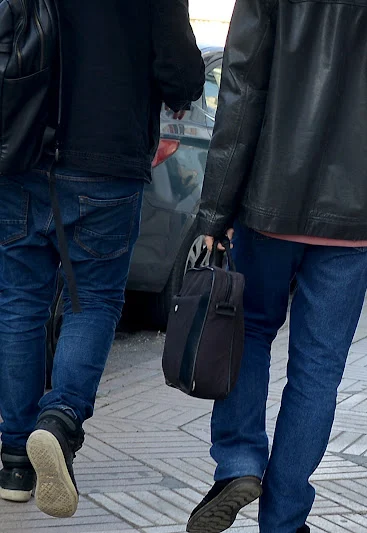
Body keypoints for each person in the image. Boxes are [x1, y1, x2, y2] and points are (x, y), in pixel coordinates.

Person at [190, 1, 367, 532]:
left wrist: (215, 212)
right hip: (357, 217)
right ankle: (283, 519)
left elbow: (241, 93)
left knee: (249, 330)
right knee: (318, 369)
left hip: (271, 198)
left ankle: (239, 463)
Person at [0, 0, 204, 519]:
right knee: (91, 302)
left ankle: (14, 462)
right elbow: (178, 66)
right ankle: (60, 420)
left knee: (20, 303)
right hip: (106, 158)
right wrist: (178, 93)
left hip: (21, 148)